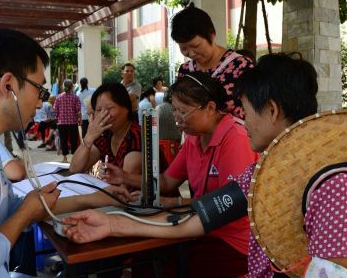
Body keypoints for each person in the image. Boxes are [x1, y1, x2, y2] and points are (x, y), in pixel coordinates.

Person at [63, 54, 347, 278]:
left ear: (272, 111)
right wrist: (113, 225)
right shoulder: (266, 173)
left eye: (245, 112)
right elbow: (199, 219)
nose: (241, 122)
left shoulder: (340, 185)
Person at [0, 29, 133, 278]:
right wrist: (24, 215)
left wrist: (94, 199)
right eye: (39, 90)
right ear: (8, 84)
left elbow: (13, 207)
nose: (41, 103)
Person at [79, 72, 259, 276]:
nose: (177, 119)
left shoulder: (235, 139)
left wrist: (172, 204)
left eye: (183, 112)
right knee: (148, 256)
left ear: (210, 108)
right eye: (175, 111)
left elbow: (222, 209)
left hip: (232, 239)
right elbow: (166, 181)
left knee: (170, 263)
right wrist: (125, 177)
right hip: (198, 227)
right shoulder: (194, 138)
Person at [172, 3, 254, 121]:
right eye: (183, 48)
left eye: (196, 46)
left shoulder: (240, 66)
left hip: (235, 137)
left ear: (211, 35)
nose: (190, 53)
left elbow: (255, 111)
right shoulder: (185, 71)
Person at [69, 83, 142, 189]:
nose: (104, 114)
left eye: (110, 108)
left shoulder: (136, 137)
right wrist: (89, 137)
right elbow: (75, 168)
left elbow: (124, 189)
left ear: (126, 108)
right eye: (99, 110)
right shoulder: (105, 135)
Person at [53, 78, 82, 163]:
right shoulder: (75, 97)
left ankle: (65, 158)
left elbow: (55, 110)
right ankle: (74, 158)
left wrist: (58, 117)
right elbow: (78, 109)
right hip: (73, 122)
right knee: (74, 140)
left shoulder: (59, 97)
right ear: (72, 87)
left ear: (64, 87)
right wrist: (79, 118)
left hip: (62, 122)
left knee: (63, 140)